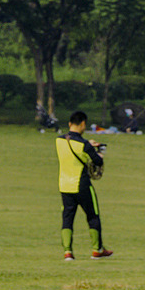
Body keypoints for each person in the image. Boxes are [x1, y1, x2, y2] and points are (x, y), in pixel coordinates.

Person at [56, 110, 112, 261]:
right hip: (81, 184)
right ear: (83, 124)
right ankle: (97, 250)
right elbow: (97, 161)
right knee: (92, 215)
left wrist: (88, 144)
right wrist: (99, 151)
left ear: (69, 124)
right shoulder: (84, 145)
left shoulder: (59, 140)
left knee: (67, 218)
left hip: (64, 185)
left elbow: (74, 143)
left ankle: (68, 252)